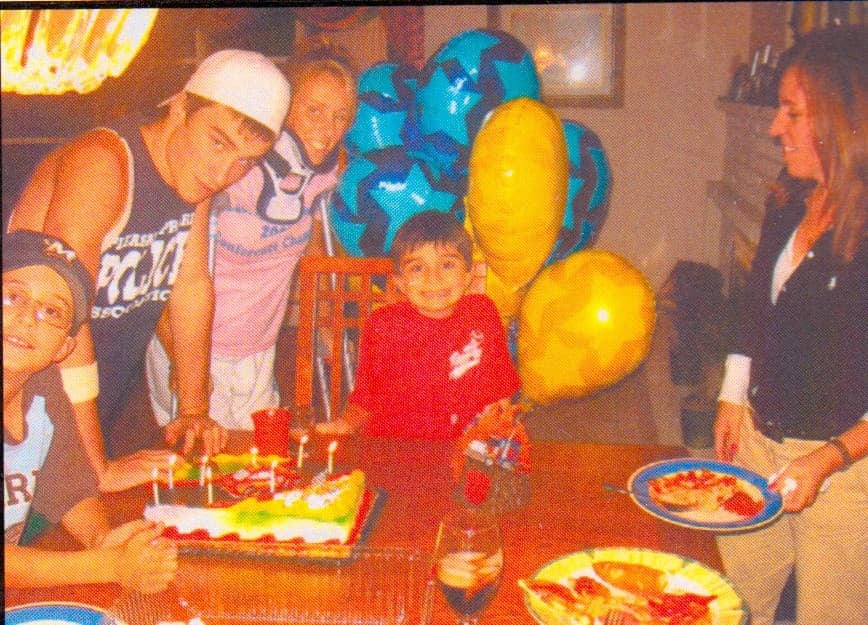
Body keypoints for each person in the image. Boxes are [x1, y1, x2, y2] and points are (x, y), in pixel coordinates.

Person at [7, 50, 291, 491]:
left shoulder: (192, 176)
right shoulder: (103, 163)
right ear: (179, 108)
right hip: (21, 410)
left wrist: (194, 410)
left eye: (246, 161)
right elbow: (68, 312)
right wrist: (94, 467)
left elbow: (190, 286)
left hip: (71, 413)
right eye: (218, 142)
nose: (223, 173)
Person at [714, 25, 866, 625]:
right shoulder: (790, 199)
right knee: (725, 601)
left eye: (792, 113)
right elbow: (756, 306)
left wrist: (828, 458)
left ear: (843, 118)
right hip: (759, 442)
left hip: (844, 470)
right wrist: (733, 394)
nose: (776, 127)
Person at [145, 38, 357, 430]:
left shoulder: (321, 178)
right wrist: (178, 356)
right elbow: (165, 272)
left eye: (340, 116)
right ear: (284, 111)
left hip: (259, 349)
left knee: (261, 459)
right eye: (314, 111)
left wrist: (327, 317)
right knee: (204, 460)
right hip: (195, 349)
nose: (327, 129)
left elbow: (311, 241)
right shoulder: (235, 169)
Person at [4, 230, 177, 592]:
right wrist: (107, 564)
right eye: (12, 296)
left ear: (64, 348)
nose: (27, 318)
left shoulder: (42, 385)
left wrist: (100, 537)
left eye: (52, 312)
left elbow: (68, 486)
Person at [317, 210, 522, 439]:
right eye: (417, 267)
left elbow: (500, 388)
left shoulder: (483, 313)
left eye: (447, 265)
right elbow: (366, 397)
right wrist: (346, 423)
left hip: (466, 446)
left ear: (468, 275)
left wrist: (500, 431)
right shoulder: (384, 325)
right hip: (399, 447)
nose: (433, 278)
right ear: (399, 282)